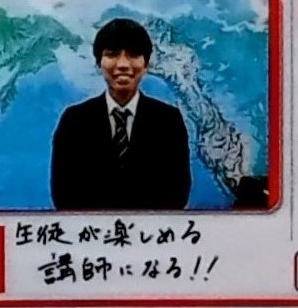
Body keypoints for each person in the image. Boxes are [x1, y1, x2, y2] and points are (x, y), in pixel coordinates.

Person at [50, 17, 194, 210]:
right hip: (91, 228)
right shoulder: (74, 121)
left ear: (146, 64)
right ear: (99, 63)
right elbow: (63, 194)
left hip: (151, 228)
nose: (123, 64)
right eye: (112, 55)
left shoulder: (168, 120)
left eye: (133, 54)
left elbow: (177, 193)